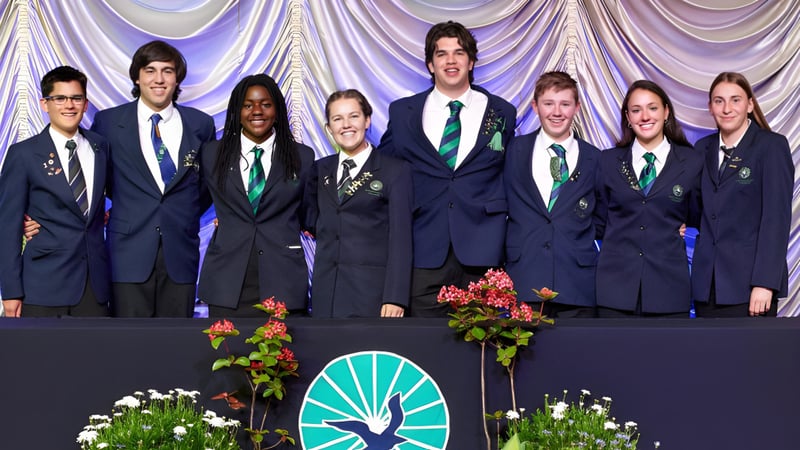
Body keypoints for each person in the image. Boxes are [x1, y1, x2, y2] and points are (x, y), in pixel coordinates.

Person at [378, 21, 516, 317]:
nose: (450, 60)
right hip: (424, 249)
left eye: (459, 53)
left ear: (471, 61)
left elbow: (512, 174)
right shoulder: (403, 113)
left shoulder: (502, 112)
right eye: (442, 54)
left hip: (484, 251)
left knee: (482, 354)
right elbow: (382, 169)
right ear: (430, 64)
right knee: (424, 350)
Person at [91, 40, 216, 317]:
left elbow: (206, 185)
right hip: (128, 252)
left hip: (180, 251)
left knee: (176, 346)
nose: (159, 79)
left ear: (177, 78)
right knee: (128, 347)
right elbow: (99, 178)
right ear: (137, 76)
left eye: (167, 71)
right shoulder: (108, 122)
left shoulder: (200, 124)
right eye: (150, 70)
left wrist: (182, 213)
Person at [197, 74, 314, 317]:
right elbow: (193, 203)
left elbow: (309, 214)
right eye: (248, 105)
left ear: (278, 110)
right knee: (228, 355)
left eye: (266, 104)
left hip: (284, 280)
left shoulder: (302, 156)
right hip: (227, 282)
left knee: (285, 356)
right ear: (237, 111)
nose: (257, 111)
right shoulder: (211, 154)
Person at [0, 66, 110, 317]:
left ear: (85, 103)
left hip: (94, 286)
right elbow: (7, 227)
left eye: (76, 98)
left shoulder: (100, 147)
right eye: (59, 98)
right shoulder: (24, 154)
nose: (69, 105)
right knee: (41, 357)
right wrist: (10, 291)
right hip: (43, 286)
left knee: (96, 356)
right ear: (44, 104)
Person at [594, 80, 703, 317]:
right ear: (628, 117)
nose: (645, 116)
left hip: (670, 290)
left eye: (652, 108)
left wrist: (686, 227)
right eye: (636, 110)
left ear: (666, 112)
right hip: (615, 291)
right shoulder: (607, 161)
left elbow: (699, 216)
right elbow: (599, 222)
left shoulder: (692, 162)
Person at [303, 89, 413, 318]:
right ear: (329, 129)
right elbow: (312, 220)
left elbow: (401, 239)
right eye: (337, 119)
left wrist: (395, 296)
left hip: (372, 297)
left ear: (367, 121)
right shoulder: (319, 170)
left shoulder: (395, 170)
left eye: (353, 116)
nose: (346, 125)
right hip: (326, 295)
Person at [692, 72, 793, 317]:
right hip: (707, 285)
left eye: (735, 100)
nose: (727, 108)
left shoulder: (771, 146)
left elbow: (775, 220)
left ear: (749, 104)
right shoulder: (701, 148)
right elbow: (698, 210)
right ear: (710, 107)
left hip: (749, 286)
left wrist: (765, 283)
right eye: (719, 101)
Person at [504, 71, 600, 318]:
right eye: (548, 103)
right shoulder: (512, 151)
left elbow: (605, 216)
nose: (557, 112)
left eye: (565, 104)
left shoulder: (595, 158)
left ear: (576, 107)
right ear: (536, 107)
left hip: (577, 284)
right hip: (523, 280)